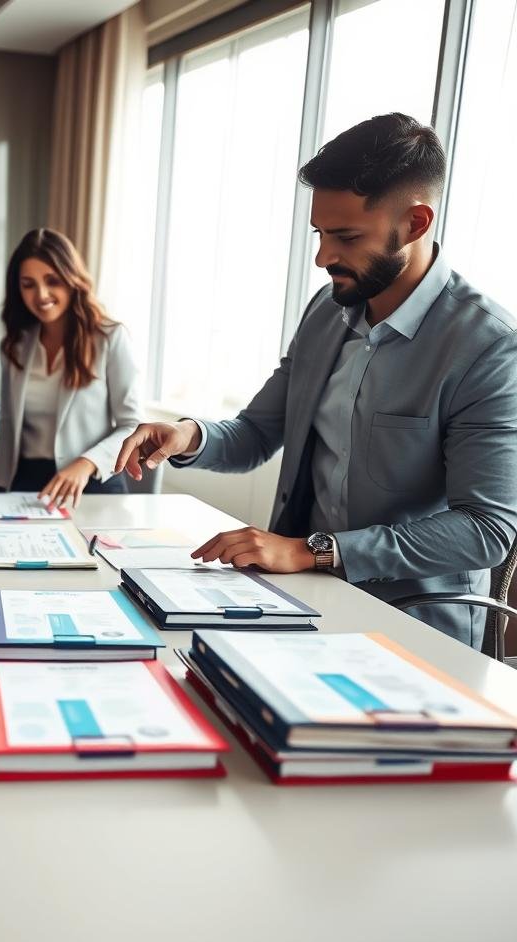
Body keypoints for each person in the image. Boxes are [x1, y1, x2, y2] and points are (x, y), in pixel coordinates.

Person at [115, 113, 517, 648]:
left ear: (416, 223)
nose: (323, 256)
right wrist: (188, 436)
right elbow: (258, 433)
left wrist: (316, 549)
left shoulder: (489, 346)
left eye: (346, 236)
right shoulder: (326, 311)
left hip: (414, 624)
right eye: (321, 233)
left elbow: (485, 529)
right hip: (299, 600)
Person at [0, 228, 141, 507]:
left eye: (52, 280)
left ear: (72, 279)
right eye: (28, 284)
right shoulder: (15, 344)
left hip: (94, 479)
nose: (41, 294)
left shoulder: (110, 337)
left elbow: (132, 425)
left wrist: (86, 463)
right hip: (28, 483)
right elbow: (9, 423)